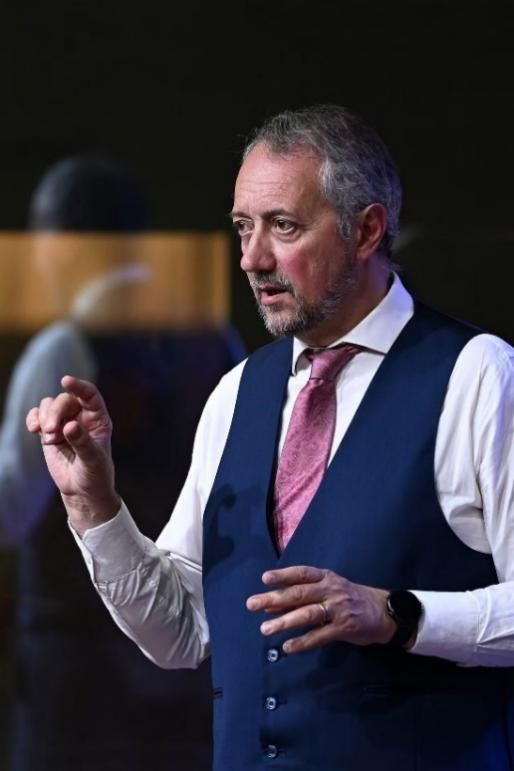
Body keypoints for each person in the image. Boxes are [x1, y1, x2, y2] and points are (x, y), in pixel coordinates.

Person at [27, 106, 514, 770]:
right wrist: (93, 503)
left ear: (368, 229)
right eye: (243, 227)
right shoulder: (235, 394)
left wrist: (398, 614)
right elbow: (180, 633)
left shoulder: (479, 376)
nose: (252, 259)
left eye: (283, 226)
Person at [2, 155, 244, 771]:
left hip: (78, 676)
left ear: (72, 242)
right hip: (191, 663)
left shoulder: (63, 349)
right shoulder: (215, 340)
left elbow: (12, 509)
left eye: (45, 240)